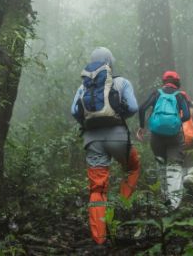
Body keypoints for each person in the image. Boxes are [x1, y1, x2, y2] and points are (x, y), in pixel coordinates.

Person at [70, 47, 140, 245]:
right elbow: (134, 107)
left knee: (97, 189)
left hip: (92, 141)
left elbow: (74, 111)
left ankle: (99, 239)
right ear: (110, 62)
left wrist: (90, 122)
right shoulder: (121, 82)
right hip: (118, 138)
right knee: (132, 168)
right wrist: (117, 115)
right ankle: (121, 207)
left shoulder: (83, 87)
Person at [136, 70, 191, 209]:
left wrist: (142, 127)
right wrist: (176, 121)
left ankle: (164, 198)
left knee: (161, 163)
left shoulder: (157, 93)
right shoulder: (179, 95)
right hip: (175, 136)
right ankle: (174, 204)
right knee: (174, 166)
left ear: (164, 81)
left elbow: (142, 108)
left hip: (156, 136)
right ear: (177, 82)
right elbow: (187, 115)